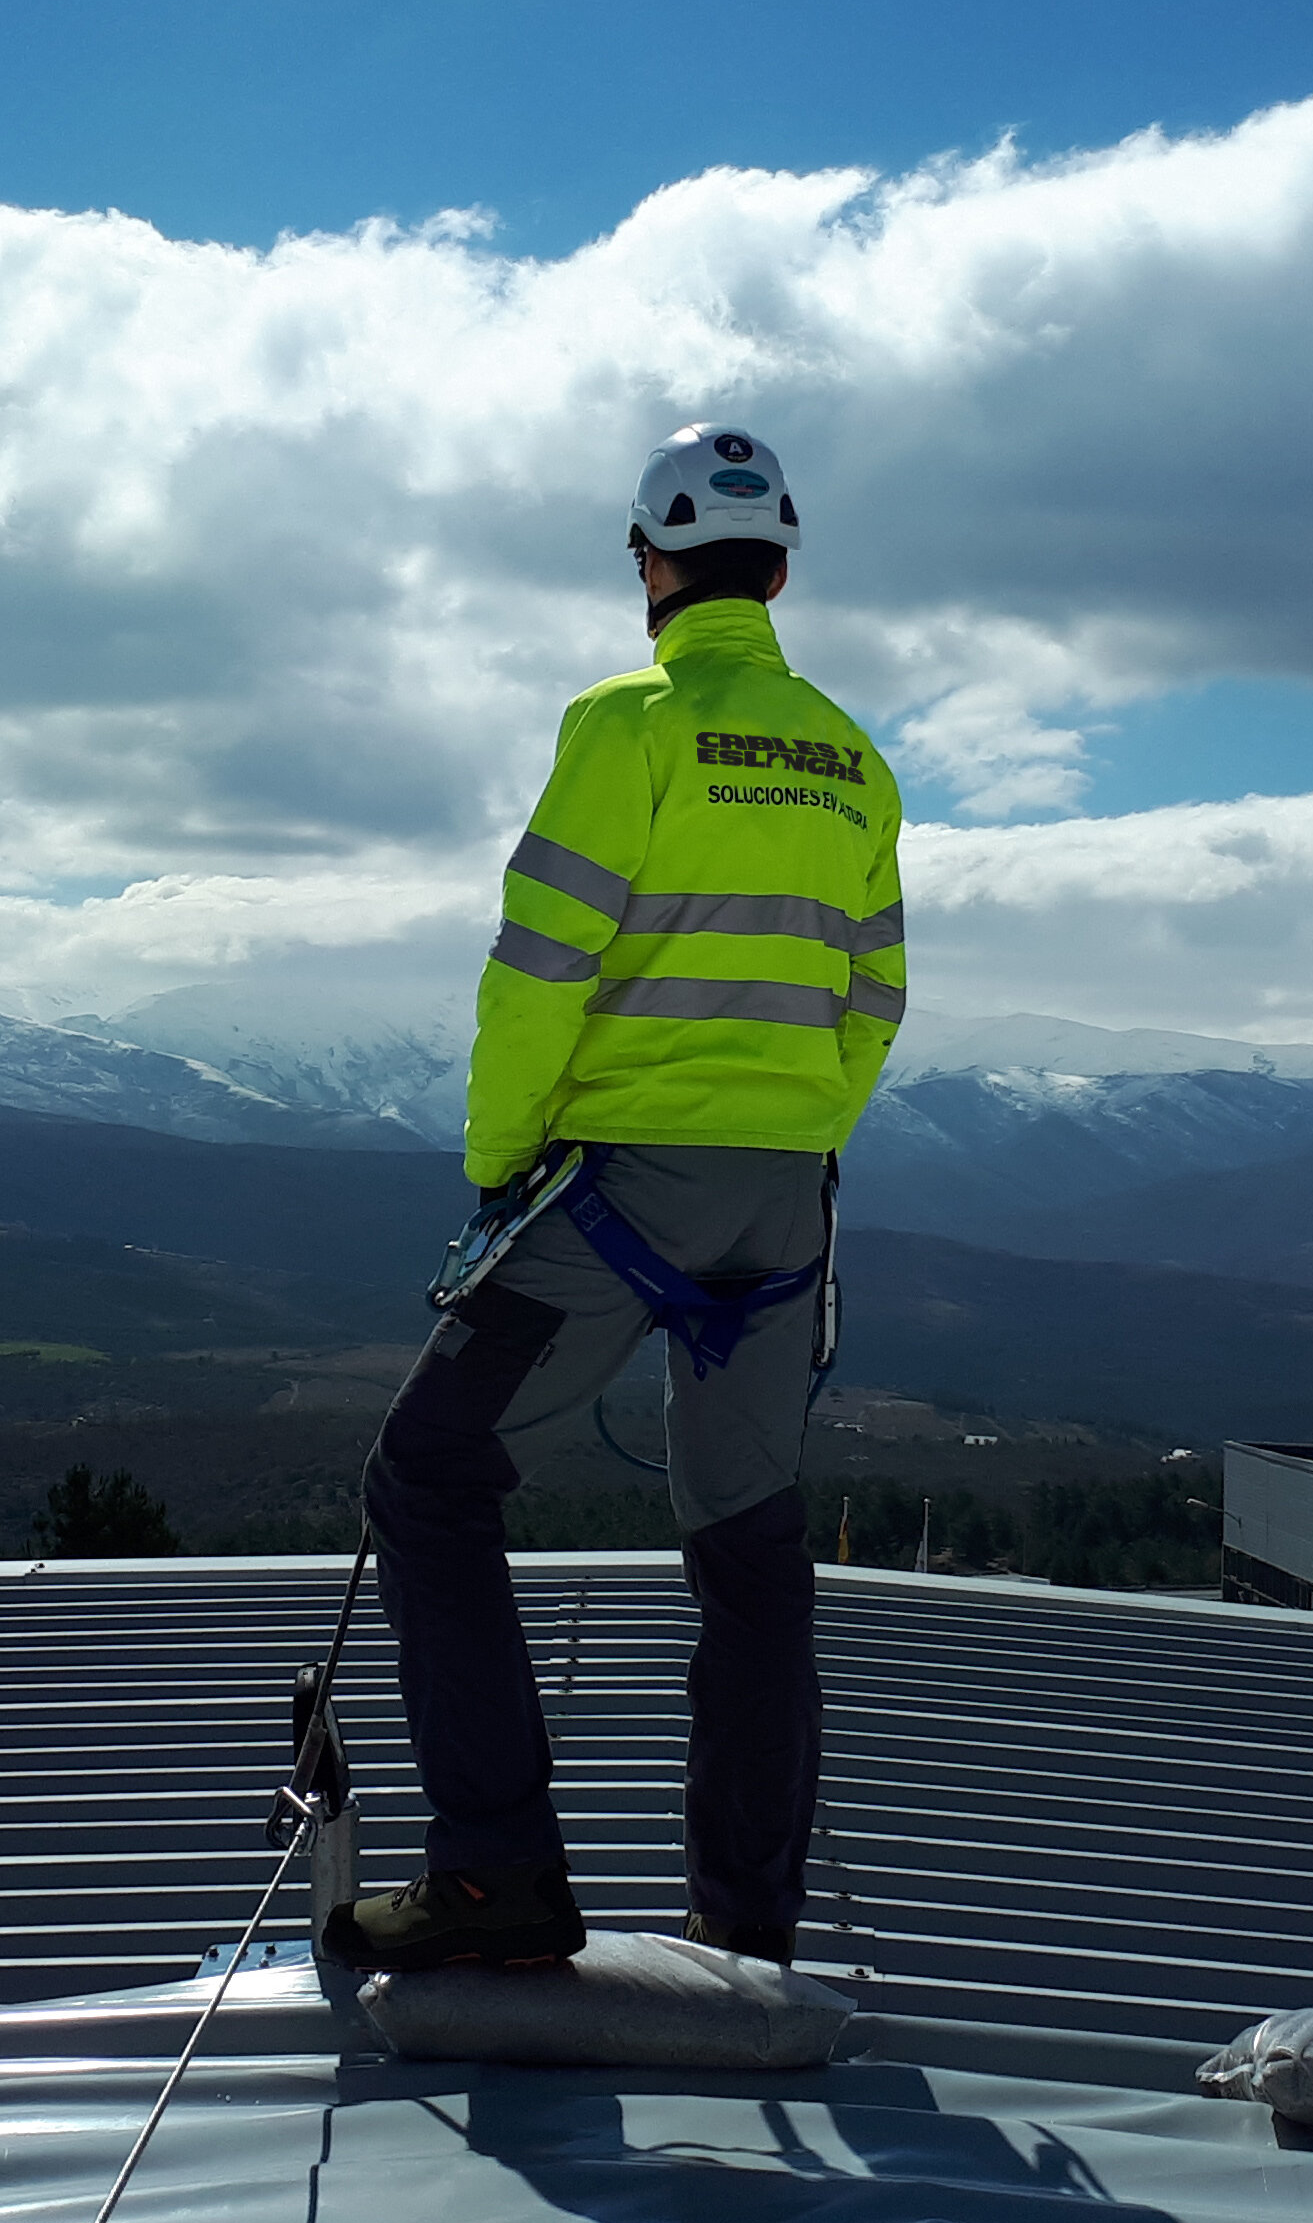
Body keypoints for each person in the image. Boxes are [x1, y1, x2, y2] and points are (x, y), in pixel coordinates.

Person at [329, 425, 908, 1973]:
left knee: (427, 1478)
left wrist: (495, 1161)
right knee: (747, 1539)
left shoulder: (623, 723)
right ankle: (744, 1924)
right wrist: (787, 1129)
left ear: (649, 565)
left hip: (613, 1193)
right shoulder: (850, 755)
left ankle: (493, 1876)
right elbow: (873, 997)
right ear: (777, 568)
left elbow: (539, 969)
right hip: (786, 1205)